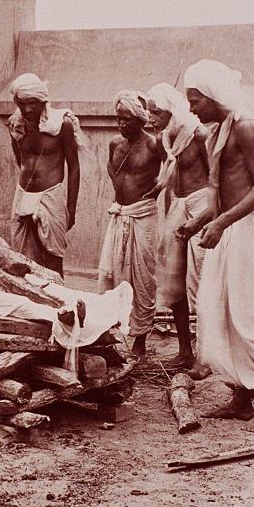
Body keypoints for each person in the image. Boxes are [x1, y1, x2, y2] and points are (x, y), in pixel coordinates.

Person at [179, 59, 254, 432]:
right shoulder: (216, 133)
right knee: (224, 311)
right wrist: (198, 222)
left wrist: (221, 223)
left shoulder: (246, 127)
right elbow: (219, 193)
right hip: (231, 228)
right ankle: (241, 398)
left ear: (213, 96)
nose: (191, 107)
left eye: (195, 100)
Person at [146, 83, 211, 369]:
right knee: (174, 282)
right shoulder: (165, 138)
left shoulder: (199, 134)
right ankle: (185, 350)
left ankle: (207, 355)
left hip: (201, 205)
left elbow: (215, 179)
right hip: (178, 207)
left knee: (203, 282)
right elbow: (169, 180)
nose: (151, 118)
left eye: (156, 113)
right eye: (150, 112)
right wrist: (169, 215)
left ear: (171, 111)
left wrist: (209, 217)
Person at [98, 91, 165, 356]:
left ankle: (140, 339)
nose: (122, 124)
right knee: (112, 274)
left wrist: (159, 187)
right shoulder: (114, 143)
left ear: (140, 119)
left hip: (143, 216)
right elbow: (111, 167)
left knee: (143, 278)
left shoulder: (153, 145)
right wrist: (120, 189)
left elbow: (173, 166)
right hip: (120, 214)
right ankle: (111, 332)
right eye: (119, 119)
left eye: (127, 119)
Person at [8, 73, 84, 276]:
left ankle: (58, 296)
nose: (27, 109)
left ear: (42, 101)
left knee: (53, 258)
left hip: (51, 195)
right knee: (22, 258)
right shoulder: (16, 125)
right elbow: (21, 160)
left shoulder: (61, 124)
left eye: (32, 103)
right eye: (22, 103)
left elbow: (74, 167)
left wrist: (71, 209)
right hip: (23, 194)